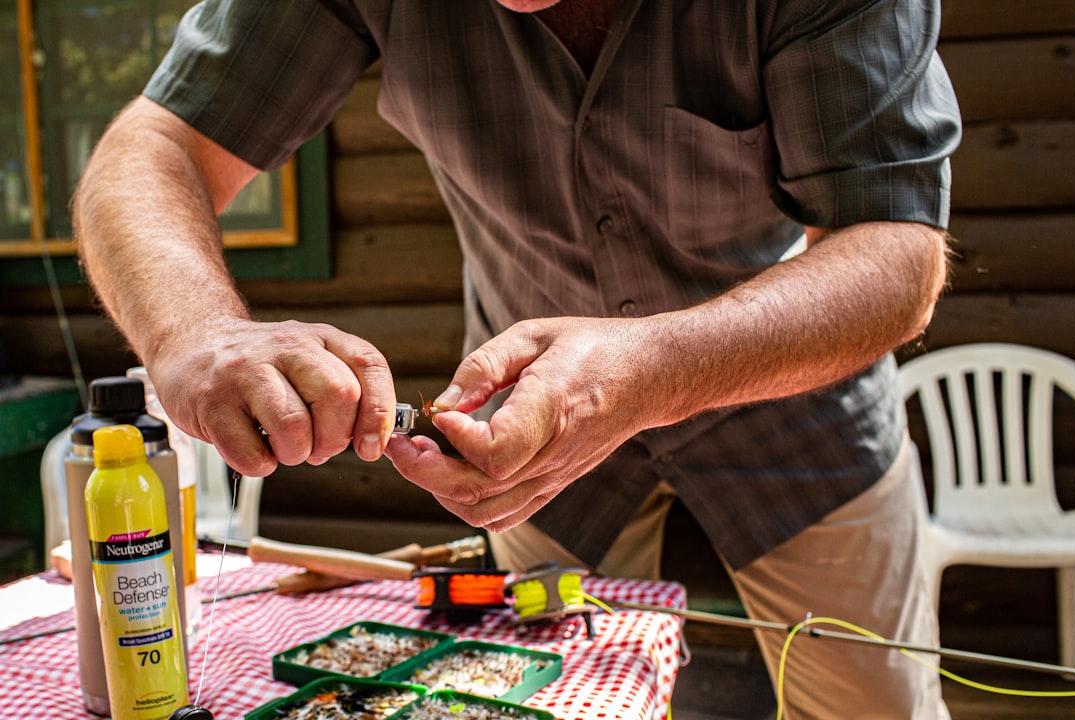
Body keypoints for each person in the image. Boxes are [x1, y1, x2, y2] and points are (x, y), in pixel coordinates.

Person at [73, 0, 961, 716]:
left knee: (871, 701)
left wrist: (650, 368)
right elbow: (153, 149)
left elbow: (895, 252)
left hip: (800, 414)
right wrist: (196, 333)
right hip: (521, 432)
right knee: (526, 698)